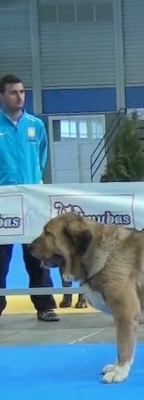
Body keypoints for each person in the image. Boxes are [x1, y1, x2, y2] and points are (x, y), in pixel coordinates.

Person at [0, 74, 59, 322]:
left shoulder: (36, 125)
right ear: (2, 96)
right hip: (3, 201)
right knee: (1, 258)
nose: (20, 96)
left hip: (32, 200)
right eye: (14, 92)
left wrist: (35, 181)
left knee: (38, 254)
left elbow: (41, 157)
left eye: (22, 92)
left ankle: (45, 305)